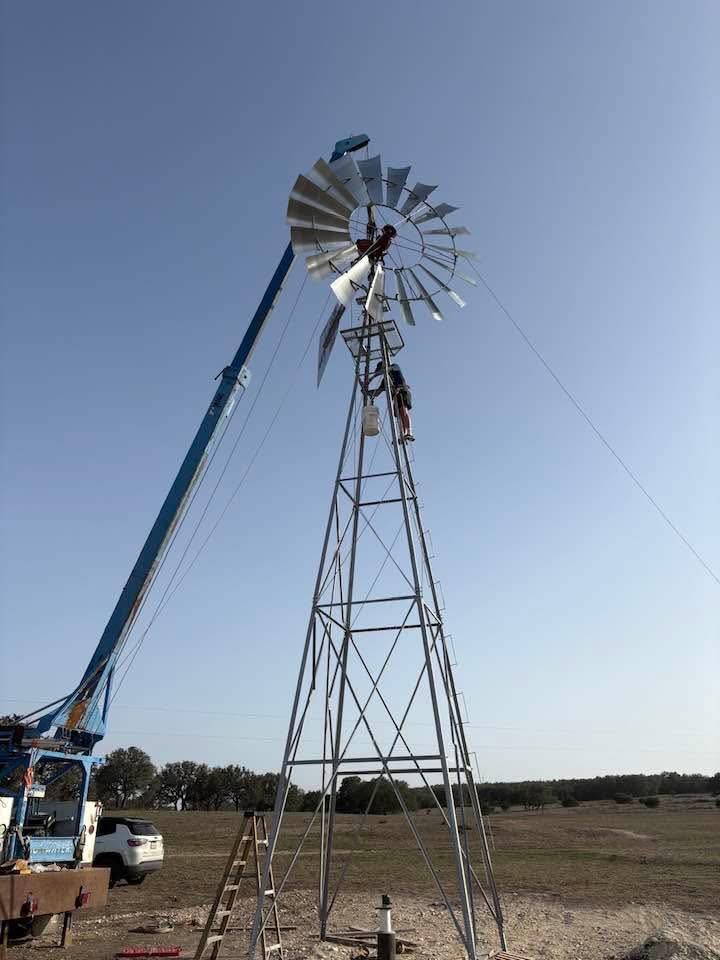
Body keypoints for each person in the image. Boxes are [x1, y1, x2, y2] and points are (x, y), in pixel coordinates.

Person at [369, 360, 414, 442]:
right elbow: (377, 392)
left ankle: (409, 432)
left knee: (403, 411)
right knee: (399, 416)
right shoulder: (385, 380)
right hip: (395, 397)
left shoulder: (395, 366)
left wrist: (371, 378)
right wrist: (367, 392)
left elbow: (386, 370)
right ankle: (402, 434)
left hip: (402, 391)